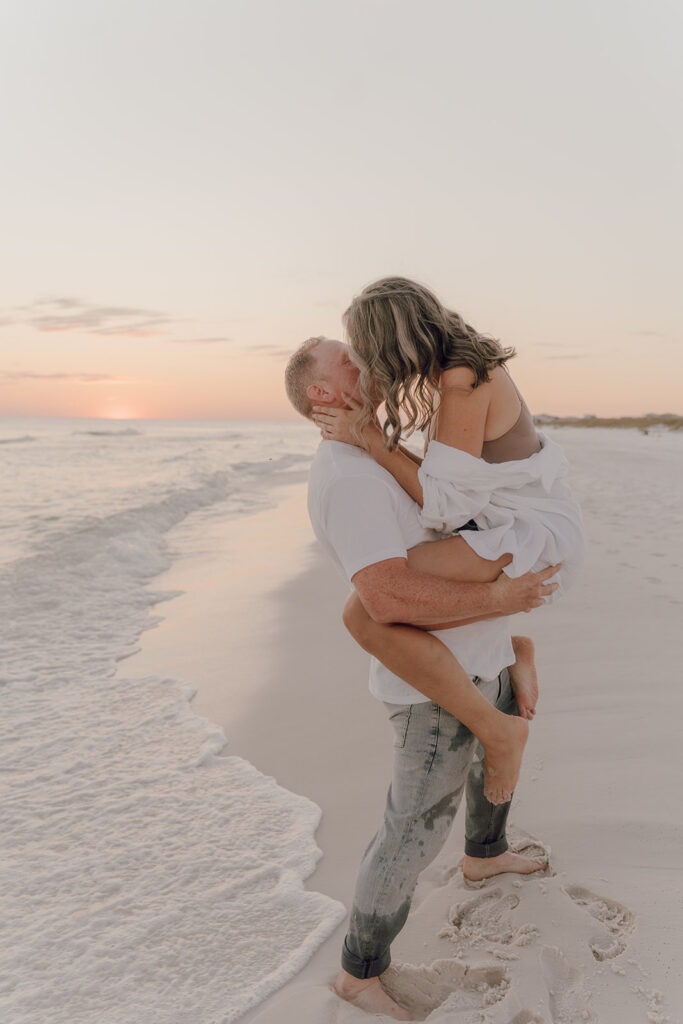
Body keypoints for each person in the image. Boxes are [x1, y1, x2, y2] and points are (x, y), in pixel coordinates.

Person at [284, 336, 558, 1021]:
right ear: (320, 394)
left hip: (477, 651)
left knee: (496, 744)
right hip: (433, 689)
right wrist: (498, 600)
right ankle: (359, 973)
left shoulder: (372, 451)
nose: (364, 358)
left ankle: (485, 855)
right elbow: (387, 600)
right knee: (410, 830)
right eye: (345, 360)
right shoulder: (345, 478)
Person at [312, 277, 586, 803]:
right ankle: (513, 650)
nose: (367, 363)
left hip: (533, 537)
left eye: (365, 349)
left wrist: (367, 438)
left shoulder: (462, 381)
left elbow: (447, 509)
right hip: (508, 522)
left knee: (372, 608)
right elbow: (448, 489)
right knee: (371, 603)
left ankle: (500, 730)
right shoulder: (456, 370)